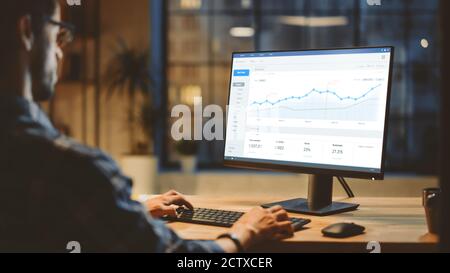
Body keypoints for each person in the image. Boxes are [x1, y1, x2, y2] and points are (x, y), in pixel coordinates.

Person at [0, 0, 294, 253]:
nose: (60, 52)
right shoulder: (71, 168)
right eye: (58, 35)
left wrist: (127, 213)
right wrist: (245, 232)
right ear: (26, 31)